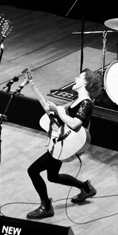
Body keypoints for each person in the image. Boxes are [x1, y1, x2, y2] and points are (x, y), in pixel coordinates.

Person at [26, 68, 103, 220]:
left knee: (33, 171)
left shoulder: (86, 103)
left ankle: (46, 207)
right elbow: (65, 121)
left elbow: (75, 124)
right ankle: (86, 188)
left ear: (86, 83)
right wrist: (53, 114)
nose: (75, 78)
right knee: (52, 176)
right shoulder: (77, 101)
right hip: (63, 141)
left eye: (79, 77)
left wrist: (57, 110)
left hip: (69, 143)